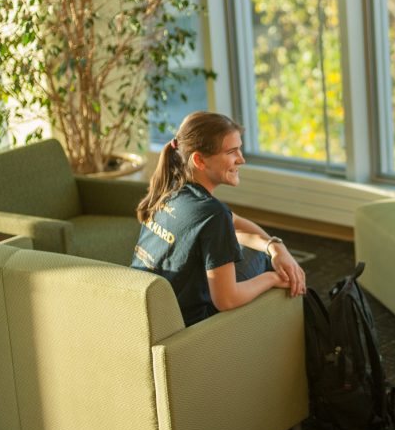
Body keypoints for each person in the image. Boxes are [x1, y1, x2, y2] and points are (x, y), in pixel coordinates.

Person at [131, 111, 306, 326]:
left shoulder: (172, 188)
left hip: (148, 312)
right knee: (261, 260)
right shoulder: (212, 214)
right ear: (199, 160)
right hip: (190, 324)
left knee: (261, 250)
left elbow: (234, 223)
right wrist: (273, 279)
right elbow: (226, 300)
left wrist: (276, 247)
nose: (241, 159)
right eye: (232, 152)